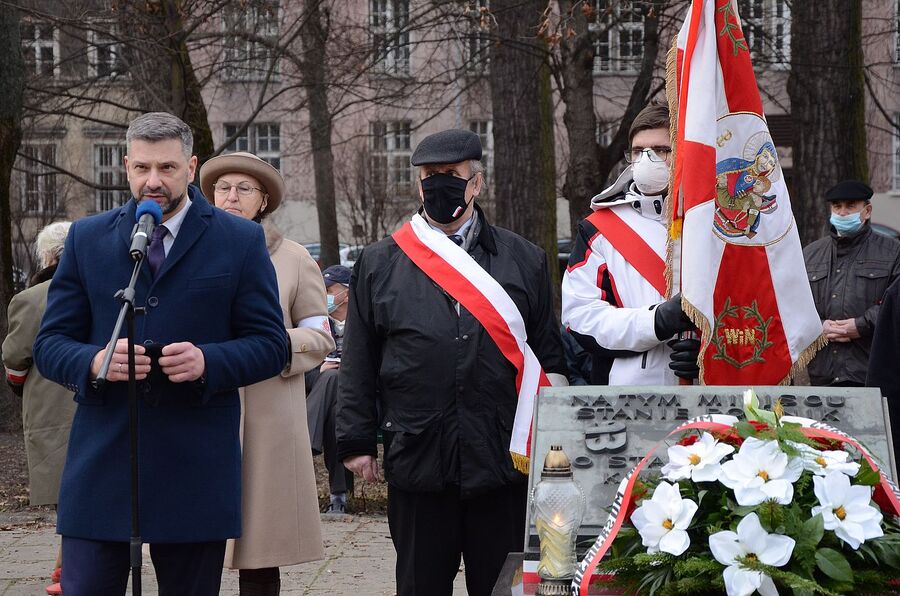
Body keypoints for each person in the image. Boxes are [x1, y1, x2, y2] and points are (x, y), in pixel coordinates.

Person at [33, 112, 288, 596]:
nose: (154, 181)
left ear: (191, 168)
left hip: (195, 466)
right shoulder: (87, 239)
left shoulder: (239, 241)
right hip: (102, 465)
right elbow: (49, 345)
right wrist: (93, 361)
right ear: (126, 166)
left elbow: (271, 344)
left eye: (167, 168)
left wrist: (209, 361)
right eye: (143, 168)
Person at [336, 128, 568, 596]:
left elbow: (547, 353)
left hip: (504, 459)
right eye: (430, 177)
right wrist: (357, 439)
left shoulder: (523, 259)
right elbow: (359, 358)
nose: (440, 185)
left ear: (476, 183)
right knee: (421, 585)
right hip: (420, 455)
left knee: (504, 588)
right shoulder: (381, 262)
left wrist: (555, 441)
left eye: (452, 176)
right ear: (418, 185)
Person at [199, 152, 334, 595]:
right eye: (223, 188)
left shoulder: (293, 258)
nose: (231, 197)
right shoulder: (184, 253)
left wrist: (273, 347)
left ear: (263, 202)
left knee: (260, 551)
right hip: (196, 413)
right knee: (189, 551)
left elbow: (320, 337)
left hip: (267, 420)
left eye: (244, 189)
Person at [561, 103, 699, 385]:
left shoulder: (714, 221)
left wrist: (711, 355)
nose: (647, 159)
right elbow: (580, 317)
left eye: (661, 150)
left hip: (709, 395)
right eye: (638, 151)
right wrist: (655, 322)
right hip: (628, 398)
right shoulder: (600, 228)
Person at [3, 221, 74, 596]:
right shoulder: (103, 289)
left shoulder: (31, 299)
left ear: (47, 256)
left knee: (68, 494)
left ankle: (70, 569)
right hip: (100, 403)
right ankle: (71, 566)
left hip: (51, 410)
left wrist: (18, 382)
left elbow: (15, 360)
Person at [803, 180, 900, 387]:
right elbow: (795, 304)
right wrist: (819, 326)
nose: (843, 212)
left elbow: (895, 304)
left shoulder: (892, 252)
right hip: (822, 373)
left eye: (850, 206)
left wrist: (861, 325)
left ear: (867, 211)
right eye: (837, 206)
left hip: (872, 371)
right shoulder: (810, 254)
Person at [304, 265, 355, 515]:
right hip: (318, 384)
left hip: (357, 393)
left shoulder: (365, 321)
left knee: (337, 410)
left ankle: (304, 441)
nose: (323, 295)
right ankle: (339, 496)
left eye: (328, 290)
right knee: (331, 380)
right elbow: (303, 367)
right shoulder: (315, 323)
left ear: (346, 294)